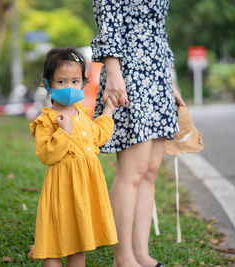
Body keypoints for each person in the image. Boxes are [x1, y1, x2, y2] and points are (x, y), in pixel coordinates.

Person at [90, 1, 186, 267]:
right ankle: (123, 259)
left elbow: (159, 29)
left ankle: (141, 254)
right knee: (131, 172)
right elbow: (108, 18)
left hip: (158, 74)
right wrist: (114, 73)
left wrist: (170, 79)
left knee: (150, 171)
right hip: (130, 71)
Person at [29, 47, 118, 267]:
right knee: (55, 243)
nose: (69, 87)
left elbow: (97, 137)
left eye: (75, 81)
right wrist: (63, 133)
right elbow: (47, 155)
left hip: (85, 187)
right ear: (48, 84)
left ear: (83, 83)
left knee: (79, 242)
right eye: (61, 82)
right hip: (61, 188)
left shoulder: (81, 113)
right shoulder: (47, 120)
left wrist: (107, 112)